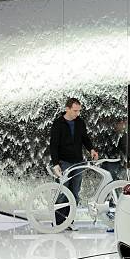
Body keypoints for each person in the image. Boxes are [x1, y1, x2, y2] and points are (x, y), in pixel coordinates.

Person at [49, 97, 99, 228]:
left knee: (75, 193)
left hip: (78, 162)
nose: (77, 113)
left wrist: (91, 149)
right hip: (64, 162)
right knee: (63, 193)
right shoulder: (58, 123)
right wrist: (55, 164)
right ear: (67, 109)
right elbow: (53, 145)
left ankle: (69, 221)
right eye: (75, 111)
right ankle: (58, 222)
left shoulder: (80, 122)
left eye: (79, 111)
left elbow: (85, 139)